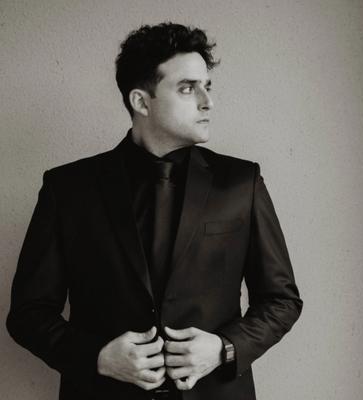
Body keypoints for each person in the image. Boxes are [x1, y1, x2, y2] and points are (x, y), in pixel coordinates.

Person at [6, 22, 303, 400]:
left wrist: (224, 349)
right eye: (188, 88)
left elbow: (281, 300)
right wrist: (97, 357)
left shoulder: (242, 183)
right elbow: (28, 313)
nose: (208, 102)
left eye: (207, 86)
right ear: (141, 102)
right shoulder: (67, 189)